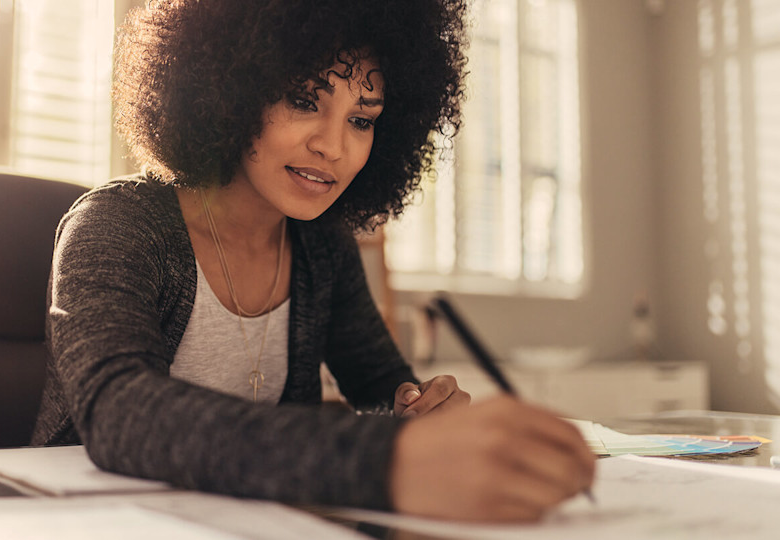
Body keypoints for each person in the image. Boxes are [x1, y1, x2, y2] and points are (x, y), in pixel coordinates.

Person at [31, 0, 596, 523]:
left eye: (362, 119)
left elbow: (380, 381)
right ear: (231, 89)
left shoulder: (323, 247)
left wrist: (419, 410)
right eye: (304, 100)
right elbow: (120, 413)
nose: (334, 146)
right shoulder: (116, 225)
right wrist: (389, 462)